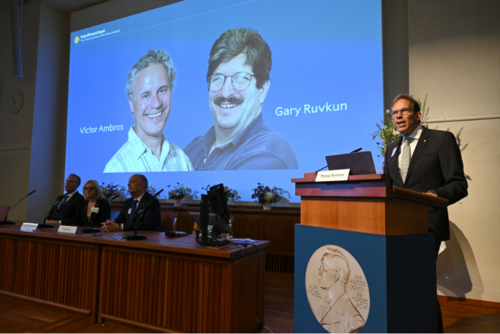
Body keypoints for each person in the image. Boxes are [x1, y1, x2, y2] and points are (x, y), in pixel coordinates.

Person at [384, 94, 468, 333]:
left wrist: (433, 194)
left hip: (427, 224)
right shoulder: (392, 148)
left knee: (419, 284)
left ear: (418, 115)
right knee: (401, 285)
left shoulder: (441, 140)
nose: (397, 116)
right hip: (397, 225)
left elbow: (459, 184)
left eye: (403, 111)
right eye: (394, 113)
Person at [184, 28, 298, 170]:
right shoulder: (192, 149)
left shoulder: (267, 156)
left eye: (240, 78)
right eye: (218, 78)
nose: (225, 92)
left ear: (262, 89)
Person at [104, 50, 193, 172]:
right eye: (145, 95)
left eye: (162, 90)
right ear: (131, 103)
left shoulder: (183, 161)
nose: (156, 103)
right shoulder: (116, 168)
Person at [316, 248, 365, 333]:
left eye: (323, 266)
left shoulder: (355, 322)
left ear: (336, 275)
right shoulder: (323, 307)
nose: (319, 270)